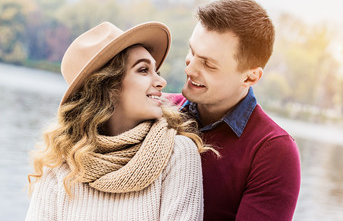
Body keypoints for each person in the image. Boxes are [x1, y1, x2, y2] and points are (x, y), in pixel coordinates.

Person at [26, 21, 209, 220]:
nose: (161, 82)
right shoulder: (60, 164)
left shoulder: (178, 153)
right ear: (107, 85)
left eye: (157, 71)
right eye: (143, 70)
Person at [169, 0, 301, 220]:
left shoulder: (273, 152)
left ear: (251, 76)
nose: (190, 69)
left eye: (208, 64)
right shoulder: (155, 109)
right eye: (192, 51)